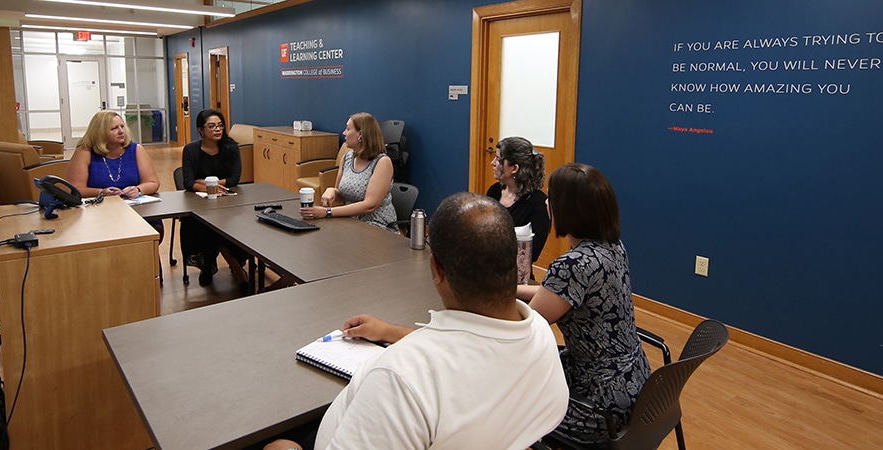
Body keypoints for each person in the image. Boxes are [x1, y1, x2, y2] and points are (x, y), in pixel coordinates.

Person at [267, 193, 569, 450]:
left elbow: (431, 368)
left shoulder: (402, 378)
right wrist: (389, 331)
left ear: (435, 268)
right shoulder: (541, 333)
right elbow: (466, 346)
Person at [516, 163, 650, 445]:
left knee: (513, 400)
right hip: (635, 382)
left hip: (599, 401)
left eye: (551, 197)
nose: (547, 203)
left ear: (567, 209)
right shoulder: (612, 247)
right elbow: (556, 293)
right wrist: (513, 290)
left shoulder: (572, 265)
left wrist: (488, 297)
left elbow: (527, 323)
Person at [178, 109, 249, 289]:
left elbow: (235, 179)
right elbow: (187, 182)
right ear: (201, 130)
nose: (217, 129)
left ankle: (221, 267)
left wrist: (211, 183)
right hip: (199, 203)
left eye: (220, 125)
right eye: (212, 126)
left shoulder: (231, 147)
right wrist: (207, 187)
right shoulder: (191, 150)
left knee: (224, 225)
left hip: (228, 202)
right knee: (204, 225)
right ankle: (222, 268)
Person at [298, 112, 397, 232]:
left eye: (348, 129)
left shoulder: (382, 162)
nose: (344, 133)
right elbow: (342, 193)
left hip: (377, 225)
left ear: (360, 134)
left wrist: (328, 212)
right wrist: (332, 191)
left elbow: (369, 205)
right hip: (350, 221)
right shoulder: (347, 158)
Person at [485, 136, 550, 265]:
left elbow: (532, 254)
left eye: (498, 159)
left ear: (514, 168)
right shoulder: (494, 191)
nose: (492, 163)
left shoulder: (538, 203)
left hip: (515, 272)